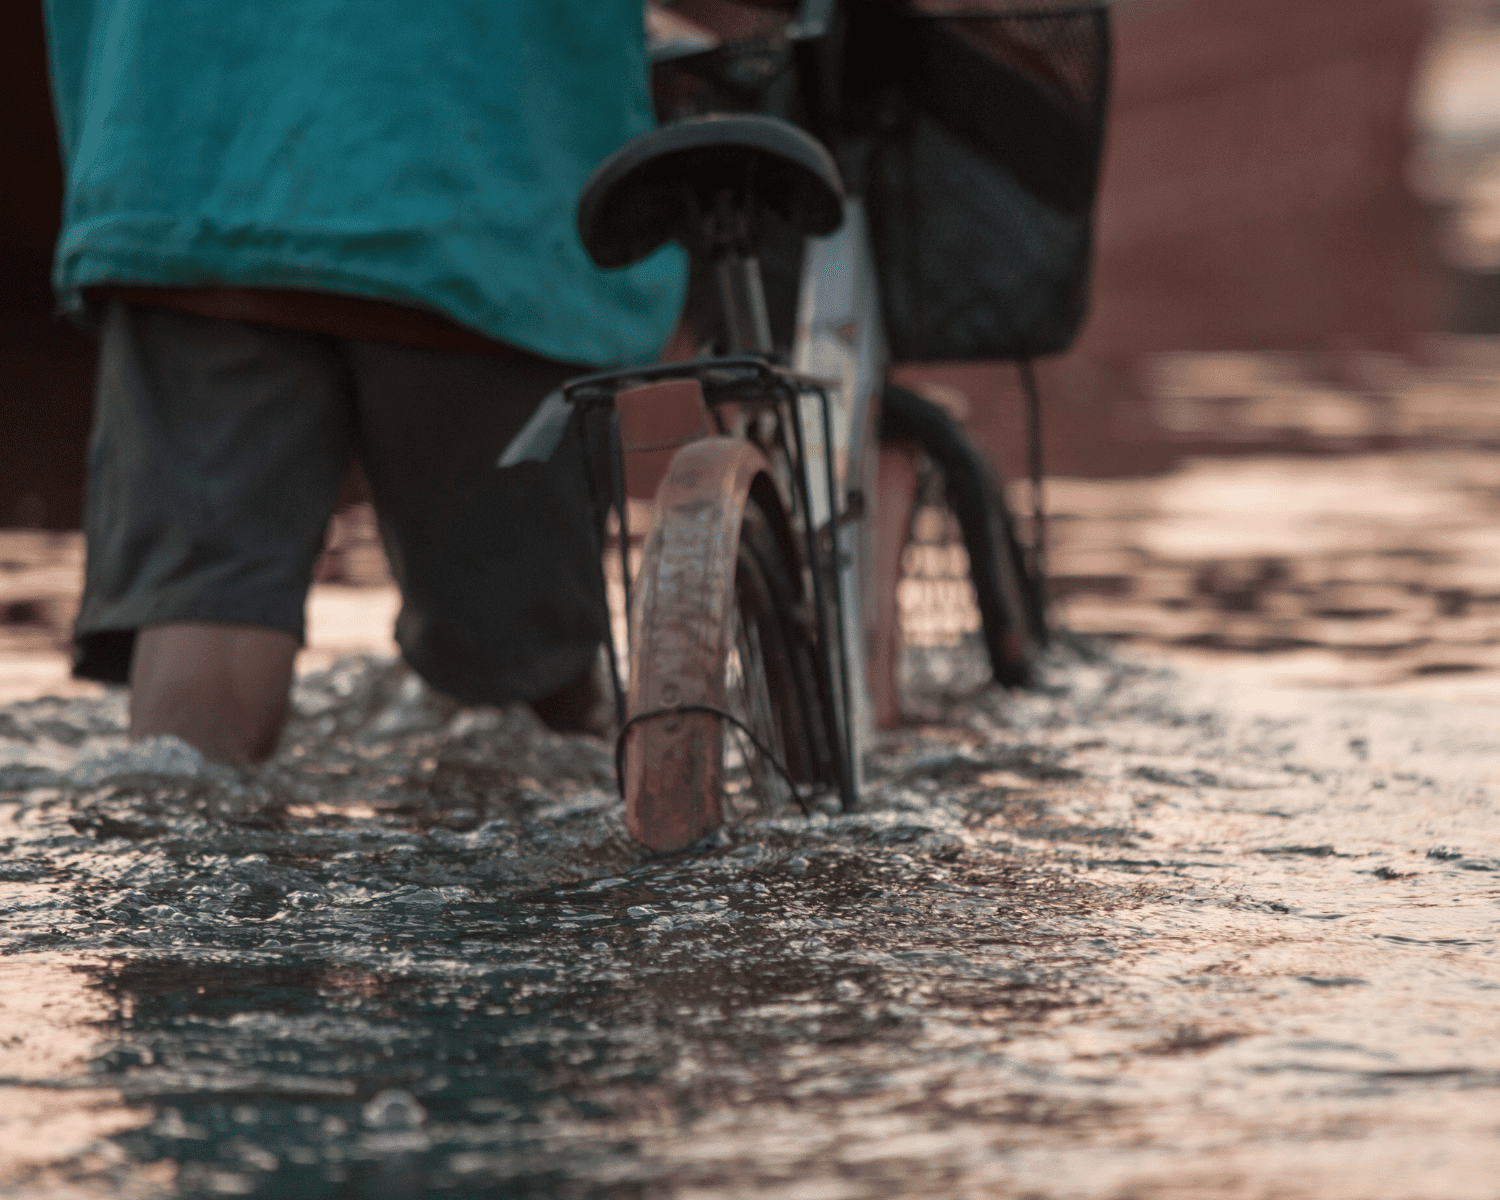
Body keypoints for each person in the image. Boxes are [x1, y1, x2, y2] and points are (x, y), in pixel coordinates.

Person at [44, 0, 687, 762]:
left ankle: (181, 853)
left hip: (186, 163)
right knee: (518, 690)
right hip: (479, 197)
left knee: (205, 611)